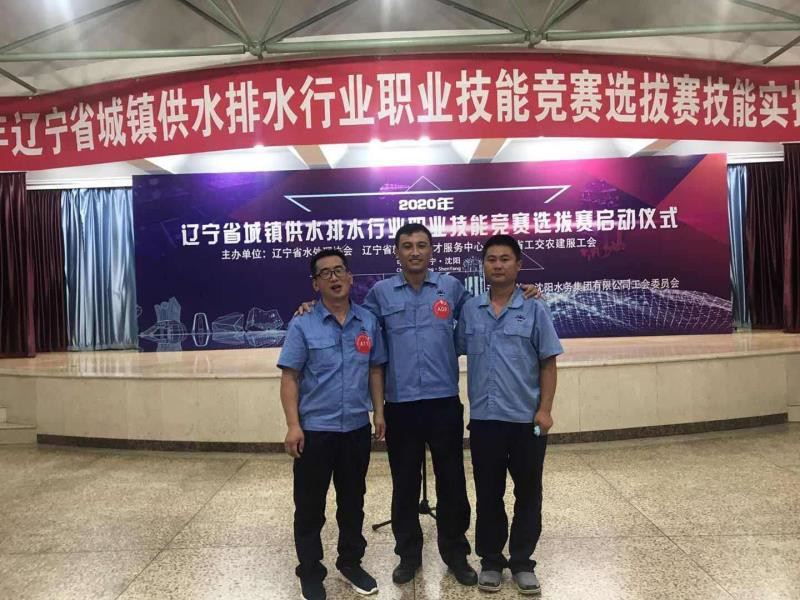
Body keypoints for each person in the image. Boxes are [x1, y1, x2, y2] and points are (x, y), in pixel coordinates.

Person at [296, 224, 540, 587]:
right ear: (397, 253)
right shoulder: (380, 294)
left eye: (421, 245)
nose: (414, 252)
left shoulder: (451, 288)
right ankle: (408, 556)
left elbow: (487, 307)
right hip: (401, 404)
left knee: (452, 482)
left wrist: (525, 292)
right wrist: (310, 306)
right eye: (407, 246)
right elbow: (353, 317)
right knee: (404, 484)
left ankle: (456, 554)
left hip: (443, 402)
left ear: (431, 250)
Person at [455, 234, 563, 596]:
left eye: (505, 259)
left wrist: (545, 410)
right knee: (489, 494)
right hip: (485, 421)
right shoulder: (471, 309)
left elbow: (548, 363)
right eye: (491, 259)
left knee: (528, 493)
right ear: (483, 266)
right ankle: (490, 560)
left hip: (525, 421)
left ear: (518, 265)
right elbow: (454, 347)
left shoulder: (535, 308)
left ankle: (522, 562)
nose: (498, 265)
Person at [278, 249, 387, 600]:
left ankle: (351, 562)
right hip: (316, 431)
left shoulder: (367, 321)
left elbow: (375, 369)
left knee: (353, 501)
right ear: (315, 284)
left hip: (355, 428)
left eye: (339, 270)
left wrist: (378, 413)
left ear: (350, 277)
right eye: (325, 273)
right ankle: (310, 571)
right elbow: (290, 377)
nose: (334, 277)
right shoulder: (302, 324)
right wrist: (293, 425)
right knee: (310, 506)